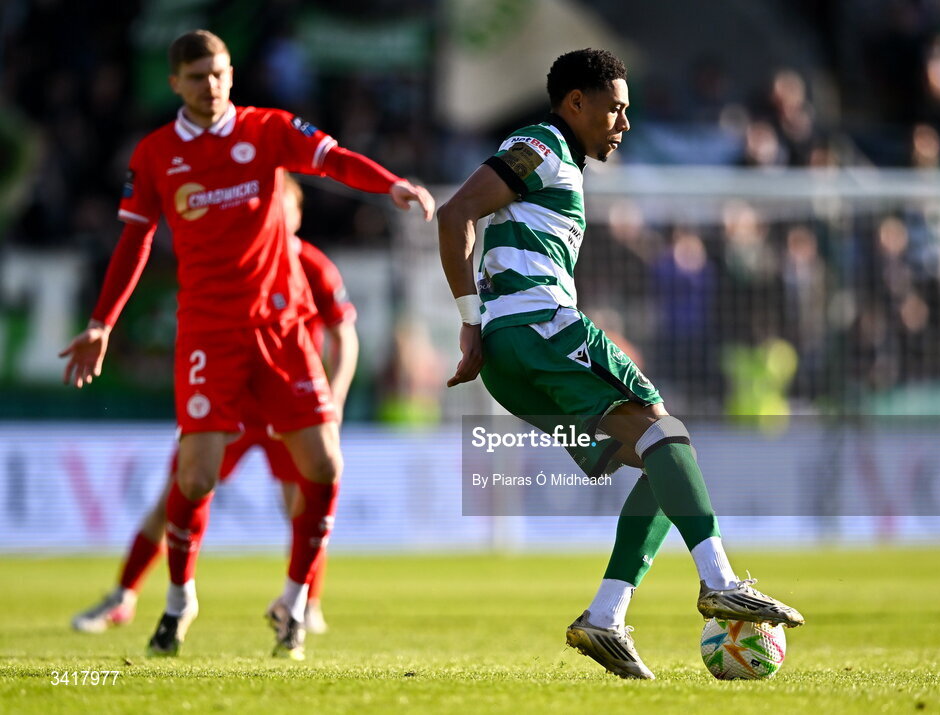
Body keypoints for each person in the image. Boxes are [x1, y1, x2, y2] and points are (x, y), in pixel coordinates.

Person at [60, 30, 434, 660]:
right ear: (175, 82)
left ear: (233, 74)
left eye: (221, 73)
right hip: (209, 333)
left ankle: (293, 601)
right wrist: (102, 322)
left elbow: (334, 158)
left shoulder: (267, 129)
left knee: (324, 469)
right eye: (199, 76)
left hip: (281, 335)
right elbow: (133, 241)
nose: (213, 85)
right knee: (195, 476)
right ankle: (176, 600)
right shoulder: (154, 155)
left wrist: (389, 184)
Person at [436, 48, 803, 681]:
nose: (623, 123)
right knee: (669, 433)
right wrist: (468, 318)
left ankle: (607, 615)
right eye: (614, 108)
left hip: (510, 361)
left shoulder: (558, 164)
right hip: (538, 328)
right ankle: (720, 581)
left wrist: (480, 325)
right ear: (575, 102)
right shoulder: (541, 144)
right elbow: (454, 213)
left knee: (659, 463)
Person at [71, 175, 355, 638]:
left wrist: (334, 397)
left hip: (289, 407)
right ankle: (123, 596)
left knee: (304, 504)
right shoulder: (236, 261)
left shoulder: (313, 265)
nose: (273, 215)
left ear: (297, 215)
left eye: (283, 206)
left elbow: (345, 334)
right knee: (174, 498)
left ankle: (306, 602)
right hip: (233, 407)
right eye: (267, 205)